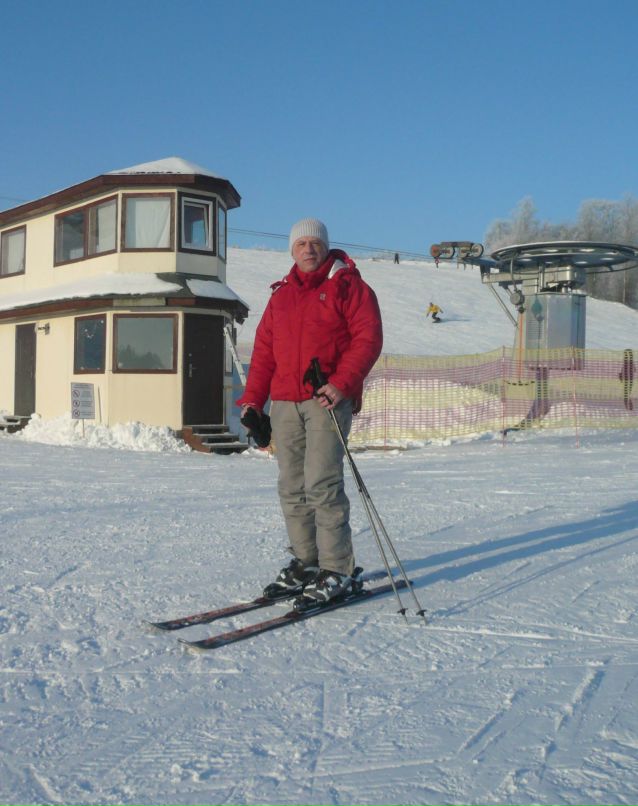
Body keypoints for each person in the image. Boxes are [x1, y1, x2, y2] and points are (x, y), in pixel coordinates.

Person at [237, 218, 383, 605]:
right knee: (292, 487)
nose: (308, 249)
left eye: (314, 242)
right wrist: (253, 401)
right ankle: (307, 562)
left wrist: (342, 383)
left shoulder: (347, 286)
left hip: (326, 399)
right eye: (300, 243)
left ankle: (337, 568)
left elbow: (368, 338)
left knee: (322, 483)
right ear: (291, 250)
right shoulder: (281, 295)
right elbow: (265, 353)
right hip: (285, 403)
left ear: (325, 246)